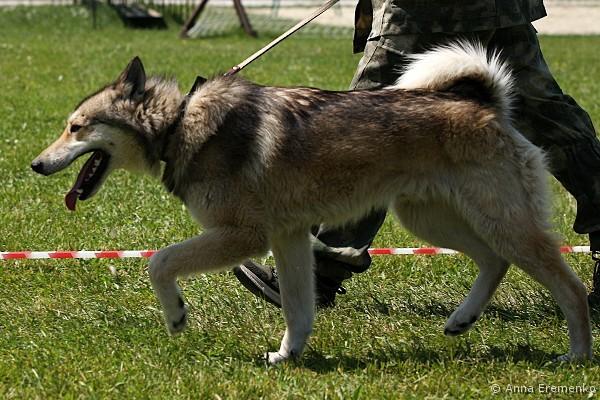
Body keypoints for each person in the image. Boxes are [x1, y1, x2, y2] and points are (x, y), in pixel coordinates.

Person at [233, 0, 600, 309]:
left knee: (363, 125)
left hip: (425, 9)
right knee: (550, 116)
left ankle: (318, 271)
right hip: (500, 7)